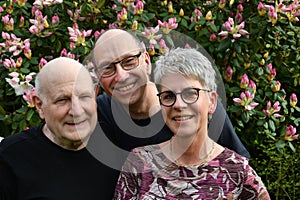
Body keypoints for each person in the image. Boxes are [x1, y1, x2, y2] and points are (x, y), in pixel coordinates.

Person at [90, 28, 250, 199]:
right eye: (108, 68)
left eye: (129, 61)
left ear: (146, 61)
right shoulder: (99, 114)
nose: (121, 76)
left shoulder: (197, 108)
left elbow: (239, 177)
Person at [113, 47, 270, 199]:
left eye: (190, 94)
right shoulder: (139, 162)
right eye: (168, 96)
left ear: (212, 102)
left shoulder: (238, 172)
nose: (178, 105)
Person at [0, 57, 113, 199]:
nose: (76, 111)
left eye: (84, 96)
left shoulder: (115, 141)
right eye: (62, 100)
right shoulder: (10, 157)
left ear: (95, 94)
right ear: (39, 105)